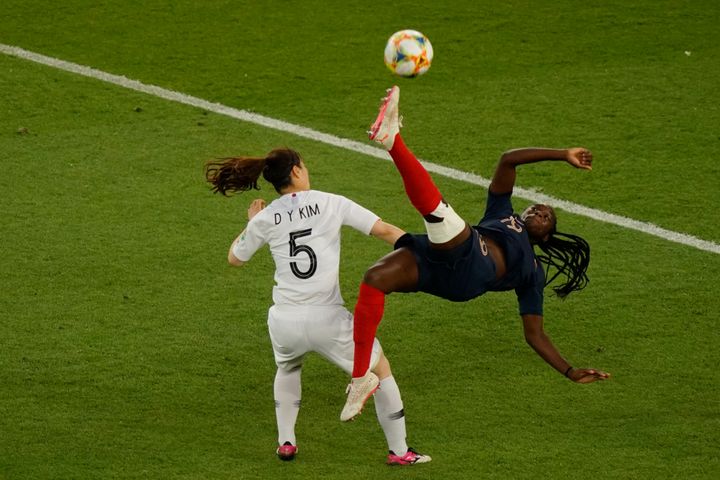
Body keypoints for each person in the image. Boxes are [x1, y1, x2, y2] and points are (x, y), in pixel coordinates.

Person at [341, 86, 611, 422]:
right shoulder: (501, 211)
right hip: (443, 259)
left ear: (546, 237)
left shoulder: (533, 270)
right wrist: (562, 153)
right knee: (374, 279)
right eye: (537, 208)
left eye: (547, 217)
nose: (540, 212)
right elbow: (508, 159)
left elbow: (534, 334)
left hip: (470, 269)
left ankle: (392, 140)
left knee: (440, 215)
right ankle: (359, 378)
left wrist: (569, 370)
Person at [205, 148, 431, 465]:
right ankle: (400, 451)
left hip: (284, 320)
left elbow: (235, 258)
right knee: (381, 371)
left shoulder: (267, 217)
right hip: (328, 319)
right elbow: (385, 230)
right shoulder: (330, 202)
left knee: (288, 367)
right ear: (296, 171)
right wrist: (424, 251)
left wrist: (253, 223)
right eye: (305, 165)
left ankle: (286, 442)